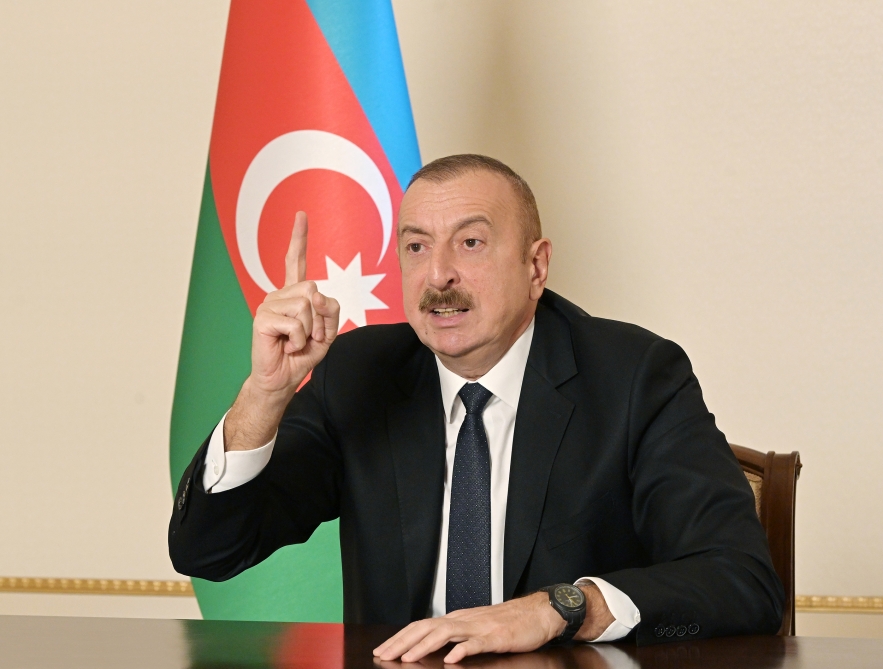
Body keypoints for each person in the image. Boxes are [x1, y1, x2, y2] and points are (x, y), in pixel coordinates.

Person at [169, 155, 783, 663]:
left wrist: (560, 608)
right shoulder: (360, 374)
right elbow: (209, 551)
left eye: (471, 243)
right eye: (416, 246)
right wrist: (266, 393)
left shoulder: (634, 377)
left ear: (536, 266)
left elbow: (742, 580)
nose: (438, 275)